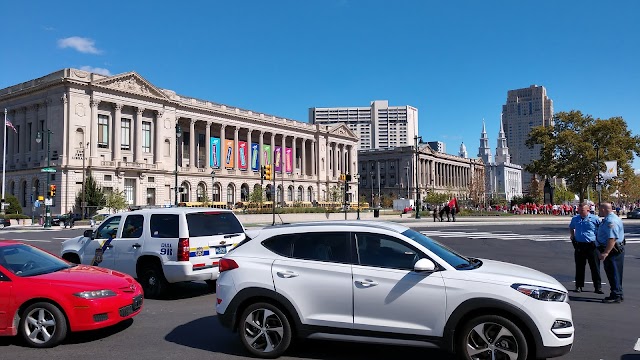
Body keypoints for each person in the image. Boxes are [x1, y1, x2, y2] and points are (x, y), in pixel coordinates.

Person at [569, 203, 602, 294]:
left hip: (592, 246)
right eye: (579, 210)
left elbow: (600, 229)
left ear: (588, 210)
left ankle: (597, 287)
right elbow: (571, 227)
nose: (579, 211)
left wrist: (599, 239)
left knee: (595, 267)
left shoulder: (594, 219)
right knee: (579, 266)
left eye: (582, 210)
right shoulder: (575, 218)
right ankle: (579, 286)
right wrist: (572, 235)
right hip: (579, 245)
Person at [596, 202, 625, 303]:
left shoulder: (611, 221)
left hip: (612, 251)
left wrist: (606, 252)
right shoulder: (609, 219)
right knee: (614, 272)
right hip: (613, 250)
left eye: (599, 209)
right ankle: (617, 292)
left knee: (614, 272)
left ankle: (616, 295)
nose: (598, 211)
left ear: (603, 210)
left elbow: (612, 238)